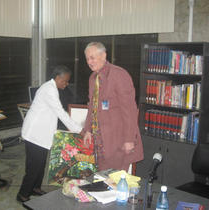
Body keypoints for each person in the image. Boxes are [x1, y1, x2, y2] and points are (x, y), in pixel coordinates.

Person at [17, 65, 82, 203]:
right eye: (65, 81)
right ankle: (22, 194)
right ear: (58, 78)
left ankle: (35, 188)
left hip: (40, 132)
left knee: (40, 164)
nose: (67, 83)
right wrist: (79, 130)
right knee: (34, 165)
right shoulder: (49, 90)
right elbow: (60, 113)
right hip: (34, 134)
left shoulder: (52, 88)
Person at [81, 42, 144, 171]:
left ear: (103, 55)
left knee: (115, 180)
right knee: (100, 178)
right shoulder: (93, 78)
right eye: (87, 58)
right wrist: (87, 130)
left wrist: (129, 139)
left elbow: (130, 110)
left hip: (117, 139)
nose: (89, 62)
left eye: (92, 57)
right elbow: (92, 107)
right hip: (99, 138)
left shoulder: (119, 75)